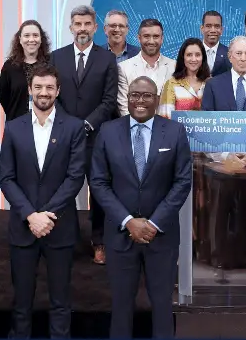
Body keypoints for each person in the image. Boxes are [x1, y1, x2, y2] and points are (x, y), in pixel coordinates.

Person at [90, 76, 193, 338]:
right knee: (121, 308)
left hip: (162, 236)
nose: (140, 101)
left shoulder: (174, 131)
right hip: (120, 235)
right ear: (127, 99)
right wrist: (127, 221)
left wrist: (154, 223)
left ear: (157, 100)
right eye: (135, 95)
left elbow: (182, 182)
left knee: (161, 308)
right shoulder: (108, 131)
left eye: (147, 95)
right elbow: (99, 183)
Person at [0, 64, 86, 338]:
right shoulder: (13, 128)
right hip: (23, 228)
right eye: (38, 87)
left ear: (58, 90)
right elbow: (6, 178)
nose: (44, 92)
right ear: (30, 90)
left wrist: (45, 215)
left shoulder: (73, 127)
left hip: (59, 226)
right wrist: (30, 215)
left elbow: (75, 177)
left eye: (49, 87)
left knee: (61, 302)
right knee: (21, 303)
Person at [50, 5, 118, 265]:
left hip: (96, 138)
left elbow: (109, 99)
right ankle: (61, 240)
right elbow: (51, 95)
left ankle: (99, 242)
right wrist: (70, 126)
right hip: (64, 138)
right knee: (62, 190)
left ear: (95, 27)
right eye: (77, 24)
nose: (82, 28)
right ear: (71, 28)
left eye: (87, 24)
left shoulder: (107, 59)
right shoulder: (56, 58)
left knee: (99, 192)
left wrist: (87, 124)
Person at [117, 18, 176, 116]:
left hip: (166, 127)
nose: (151, 41)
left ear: (162, 39)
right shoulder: (124, 68)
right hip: (134, 128)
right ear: (139, 38)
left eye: (156, 36)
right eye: (146, 36)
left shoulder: (175, 67)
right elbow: (124, 106)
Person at [202, 35, 246, 115]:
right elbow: (207, 121)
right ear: (230, 57)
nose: (243, 58)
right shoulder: (213, 85)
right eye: (239, 53)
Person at [0, 19, 52, 122]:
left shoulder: (51, 63)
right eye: (27, 36)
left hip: (46, 125)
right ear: (20, 39)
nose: (31, 40)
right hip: (16, 123)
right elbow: (4, 97)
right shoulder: (9, 66)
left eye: (35, 35)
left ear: (41, 39)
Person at [158, 37, 210, 118]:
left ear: (203, 58)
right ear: (183, 58)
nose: (193, 59)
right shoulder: (171, 84)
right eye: (189, 55)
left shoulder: (210, 83)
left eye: (198, 55)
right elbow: (165, 118)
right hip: (177, 130)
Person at [200, 10, 231, 77]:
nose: (213, 30)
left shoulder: (230, 53)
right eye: (208, 26)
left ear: (221, 30)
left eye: (217, 26)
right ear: (202, 29)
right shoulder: (193, 52)